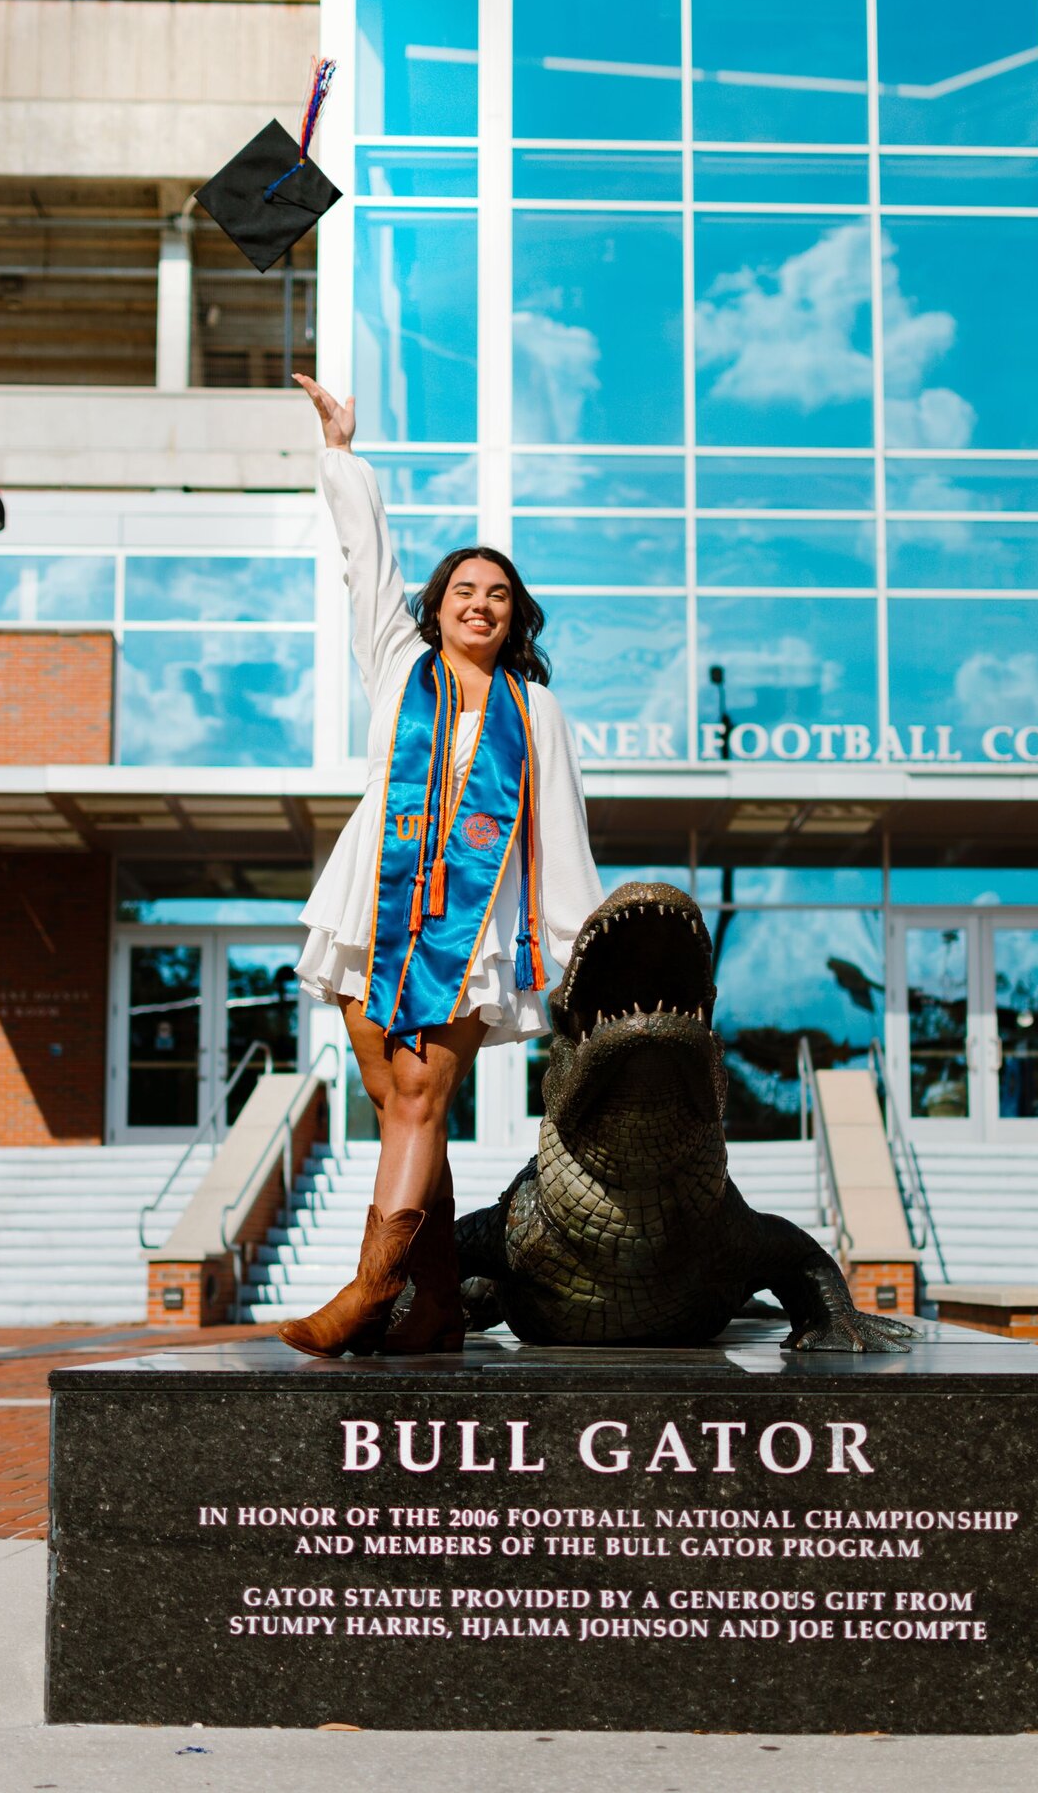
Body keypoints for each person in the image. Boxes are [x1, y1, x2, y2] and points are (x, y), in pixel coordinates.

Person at [278, 376, 602, 1360]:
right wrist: (341, 452)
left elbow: (563, 840)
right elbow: (362, 563)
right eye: (466, 590)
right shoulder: (396, 669)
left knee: (420, 1097)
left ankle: (370, 1291)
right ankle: (437, 1309)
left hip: (466, 940)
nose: (482, 604)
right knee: (392, 1100)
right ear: (439, 605)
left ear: (517, 618)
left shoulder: (535, 710)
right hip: (373, 915)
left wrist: (578, 954)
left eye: (499, 596)